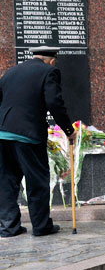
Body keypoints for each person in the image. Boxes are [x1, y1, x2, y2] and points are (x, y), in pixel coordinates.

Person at [0, 46, 75, 238]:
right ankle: (41, 226)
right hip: (28, 135)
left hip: (3, 133)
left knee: (7, 181)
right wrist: (68, 130)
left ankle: (9, 227)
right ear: (52, 60)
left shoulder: (11, 71)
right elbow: (54, 103)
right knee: (37, 181)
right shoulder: (49, 71)